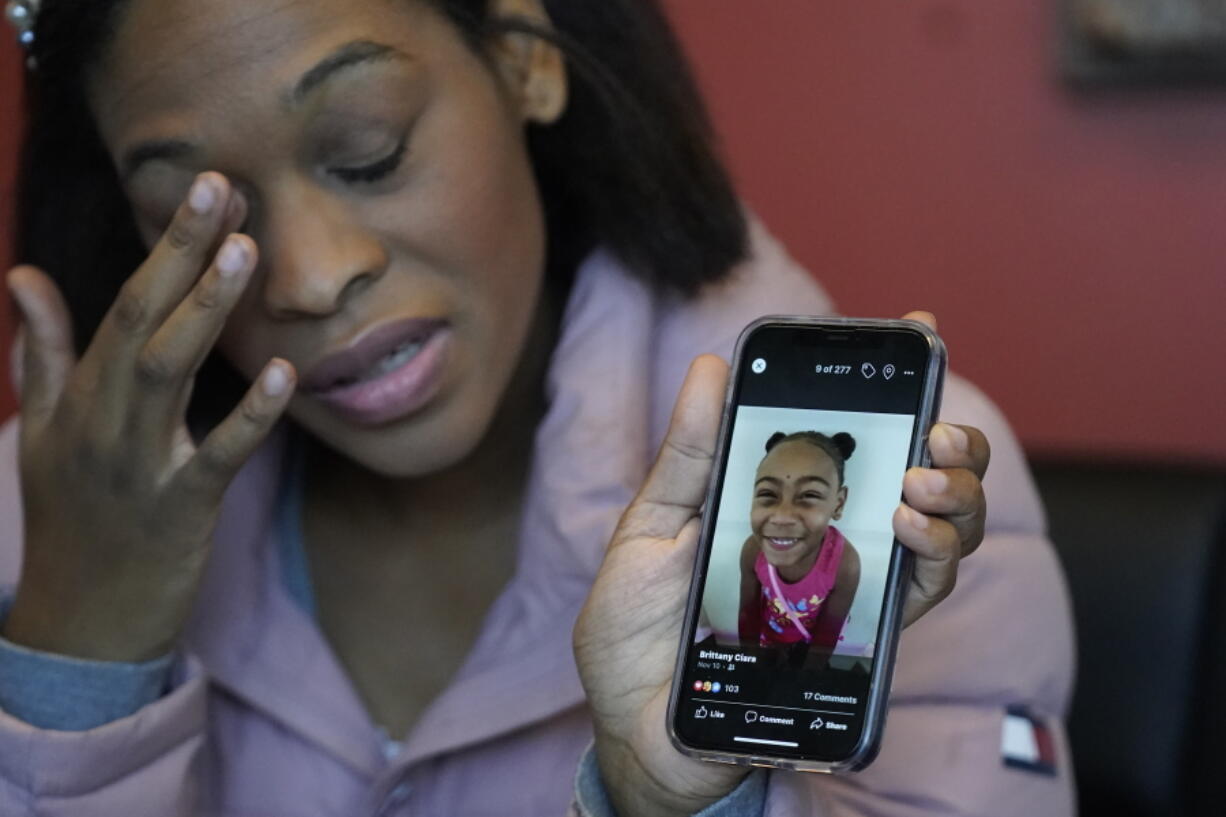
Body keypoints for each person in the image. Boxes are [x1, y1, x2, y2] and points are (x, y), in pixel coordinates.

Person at [0, 0, 1075, 815]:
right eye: (197, 214)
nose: (308, 278)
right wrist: (78, 650)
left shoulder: (908, 503)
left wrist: (678, 803)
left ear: (523, 59)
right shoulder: (44, 523)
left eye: (368, 151)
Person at [738, 431, 860, 654]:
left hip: (809, 646)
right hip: (769, 638)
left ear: (838, 504)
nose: (782, 517)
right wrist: (748, 663)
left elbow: (827, 635)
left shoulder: (845, 565)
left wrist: (808, 677)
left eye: (809, 495)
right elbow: (748, 614)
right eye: (767, 493)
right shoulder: (752, 551)